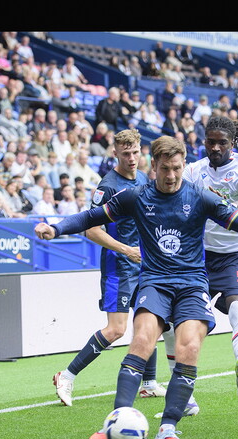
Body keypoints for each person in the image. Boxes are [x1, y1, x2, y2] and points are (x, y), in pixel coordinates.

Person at [35, 136, 238, 439]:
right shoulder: (136, 197)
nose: (172, 176)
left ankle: (167, 430)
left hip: (192, 284)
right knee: (141, 341)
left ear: (183, 166)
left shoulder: (201, 197)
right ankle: (116, 420)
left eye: (177, 168)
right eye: (165, 169)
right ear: (154, 165)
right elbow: (90, 218)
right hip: (155, 281)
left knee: (188, 348)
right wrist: (55, 229)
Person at [47, 129, 167, 409]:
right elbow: (91, 230)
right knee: (116, 330)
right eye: (126, 154)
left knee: (151, 320)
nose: (132, 158)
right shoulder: (108, 186)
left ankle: (148, 384)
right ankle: (66, 376)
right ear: (115, 153)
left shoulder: (142, 179)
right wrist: (126, 250)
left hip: (143, 263)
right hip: (119, 265)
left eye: (136, 152)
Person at [181, 115, 238, 400]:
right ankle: (184, 391)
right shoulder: (194, 170)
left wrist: (225, 207)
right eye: (210, 142)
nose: (215, 148)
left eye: (222, 143)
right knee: (182, 317)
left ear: (233, 143)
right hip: (201, 254)